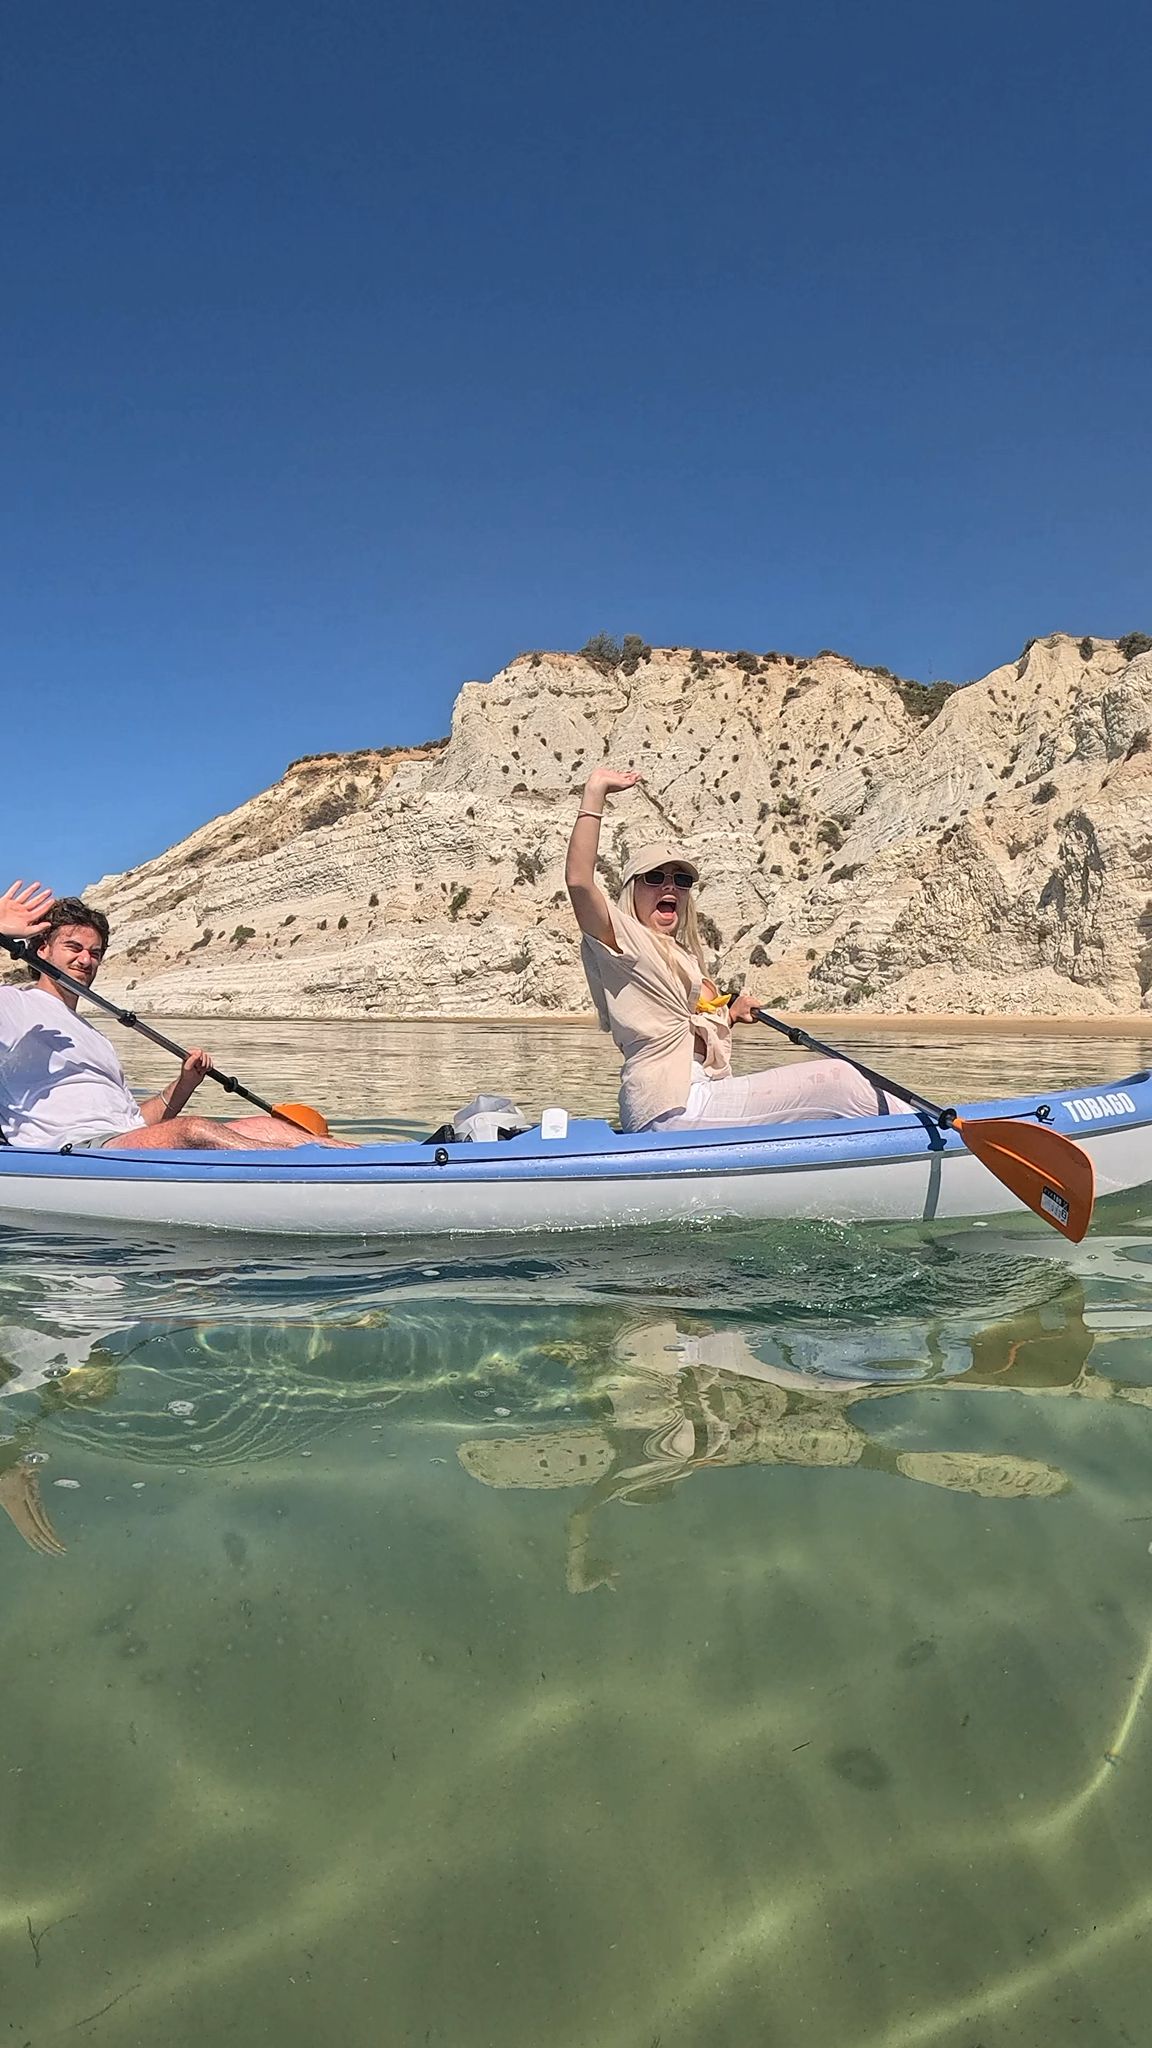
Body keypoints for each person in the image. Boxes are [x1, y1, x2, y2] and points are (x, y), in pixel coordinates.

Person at [565, 768, 909, 1131]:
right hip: (671, 1103)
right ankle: (933, 1135)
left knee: (839, 1095)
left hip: (684, 1100)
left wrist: (729, 1015)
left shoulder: (676, 953)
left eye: (681, 881)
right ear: (633, 889)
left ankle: (912, 1131)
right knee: (839, 1080)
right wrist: (595, 792)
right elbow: (578, 881)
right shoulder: (623, 938)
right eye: (655, 878)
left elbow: (677, 1031)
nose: (670, 887)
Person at [0, 889, 341, 1151]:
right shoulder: (13, 1004)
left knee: (265, 1126)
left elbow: (137, 1123)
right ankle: (309, 1177)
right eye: (73, 947)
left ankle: (369, 1160)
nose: (86, 960)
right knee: (193, 1131)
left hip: (124, 1141)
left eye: (95, 952)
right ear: (41, 949)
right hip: (73, 1150)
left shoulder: (97, 1038)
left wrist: (184, 1084)